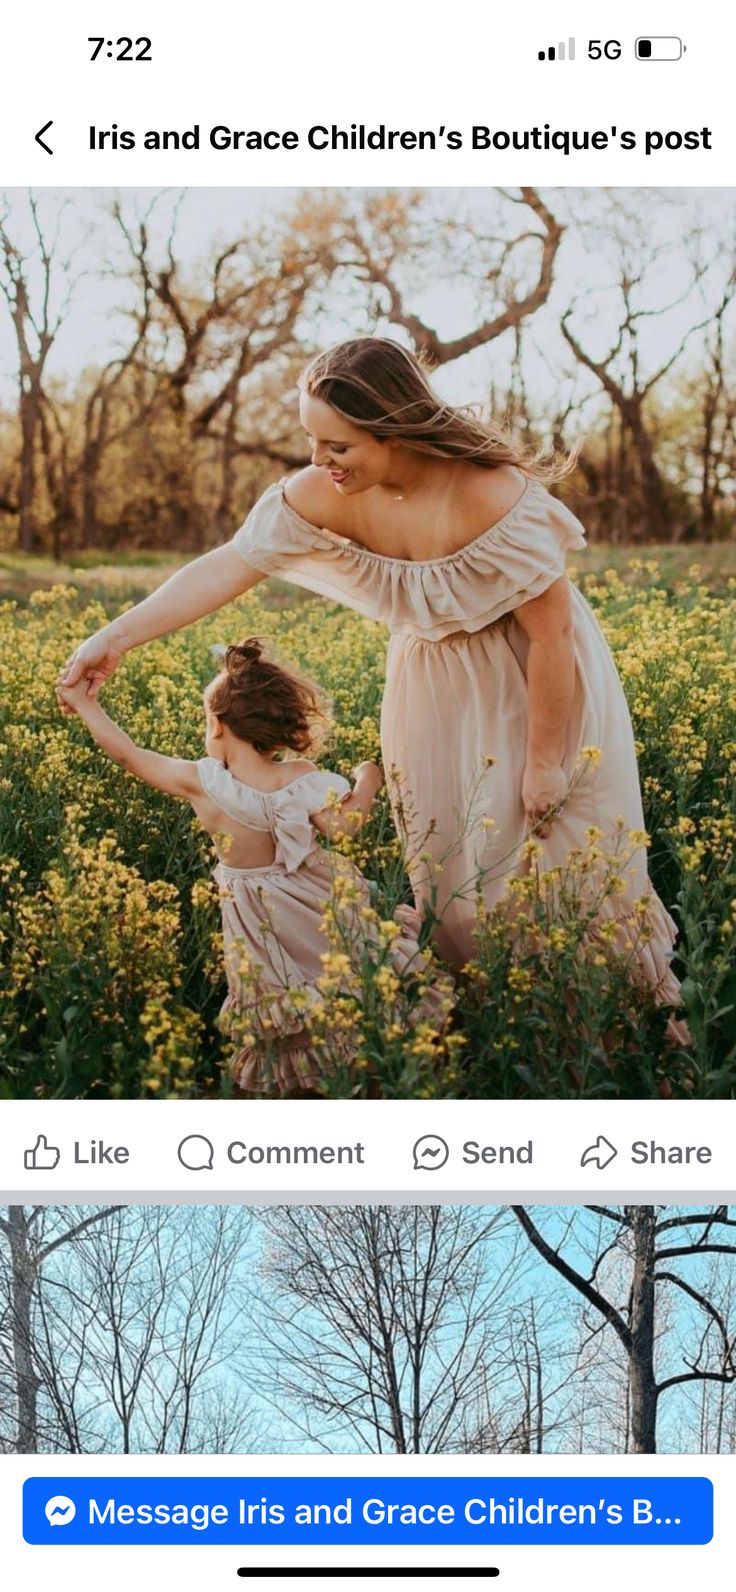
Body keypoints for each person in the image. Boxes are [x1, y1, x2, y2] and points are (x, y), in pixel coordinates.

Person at [60, 335, 690, 1048]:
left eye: (340, 447)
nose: (320, 464)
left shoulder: (494, 493)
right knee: (454, 876)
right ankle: (498, 1044)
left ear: (392, 429)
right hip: (431, 684)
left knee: (560, 870)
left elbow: (553, 638)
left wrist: (545, 763)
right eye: (311, 443)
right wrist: (114, 637)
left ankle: (613, 1051)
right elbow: (228, 565)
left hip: (536, 680)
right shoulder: (320, 492)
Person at [57, 636, 430, 1092]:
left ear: (217, 725)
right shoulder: (299, 778)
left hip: (256, 923)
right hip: (315, 909)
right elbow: (345, 826)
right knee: (347, 983)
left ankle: (307, 1086)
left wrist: (83, 702)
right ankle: (371, 1074)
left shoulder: (201, 782)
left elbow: (127, 753)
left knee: (288, 1005)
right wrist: (366, 779)